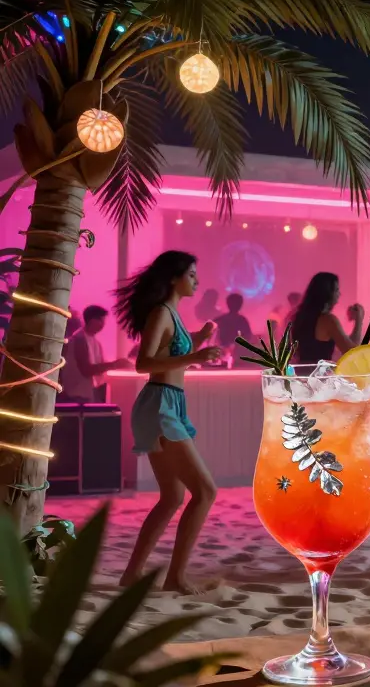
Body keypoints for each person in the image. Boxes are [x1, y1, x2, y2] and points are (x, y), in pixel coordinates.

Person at [113, 251, 223, 594]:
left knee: (173, 496)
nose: (197, 280)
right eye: (191, 274)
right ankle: (175, 577)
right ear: (174, 278)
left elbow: (165, 354)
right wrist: (196, 355)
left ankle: (132, 575)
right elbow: (144, 362)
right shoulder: (161, 312)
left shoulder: (171, 314)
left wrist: (199, 339)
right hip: (160, 403)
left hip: (169, 402)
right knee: (205, 491)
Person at [61, 305, 130, 403]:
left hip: (89, 393)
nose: (103, 324)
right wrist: (114, 365)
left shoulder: (95, 342)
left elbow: (99, 368)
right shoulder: (79, 339)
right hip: (76, 395)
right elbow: (86, 370)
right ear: (92, 320)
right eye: (101, 321)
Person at [292, 273, 364, 364]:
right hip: (319, 375)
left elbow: (347, 344)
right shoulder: (328, 320)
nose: (339, 294)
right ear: (328, 293)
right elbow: (351, 352)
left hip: (301, 373)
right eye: (337, 290)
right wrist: (359, 320)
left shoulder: (300, 317)